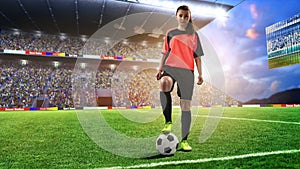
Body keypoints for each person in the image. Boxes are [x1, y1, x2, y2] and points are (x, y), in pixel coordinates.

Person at [156, 5, 204, 151]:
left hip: (187, 71)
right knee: (164, 83)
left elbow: (197, 57)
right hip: (170, 67)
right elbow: (165, 53)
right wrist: (160, 68)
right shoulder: (170, 33)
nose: (183, 18)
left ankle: (184, 141)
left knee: (186, 105)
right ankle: (168, 121)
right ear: (176, 16)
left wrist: (200, 74)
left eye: (186, 16)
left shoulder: (194, 35)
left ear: (189, 18)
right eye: (181, 15)